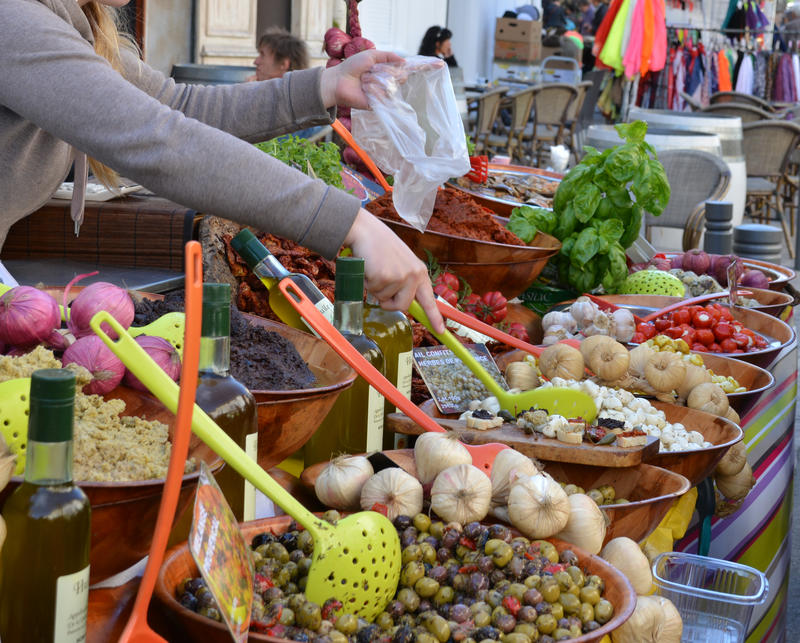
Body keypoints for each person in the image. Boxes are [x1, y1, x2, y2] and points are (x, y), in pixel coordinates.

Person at [0, 0, 445, 333]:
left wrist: (325, 85)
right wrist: (352, 224)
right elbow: (161, 138)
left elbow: (180, 105)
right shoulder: (14, 21)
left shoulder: (71, 23)